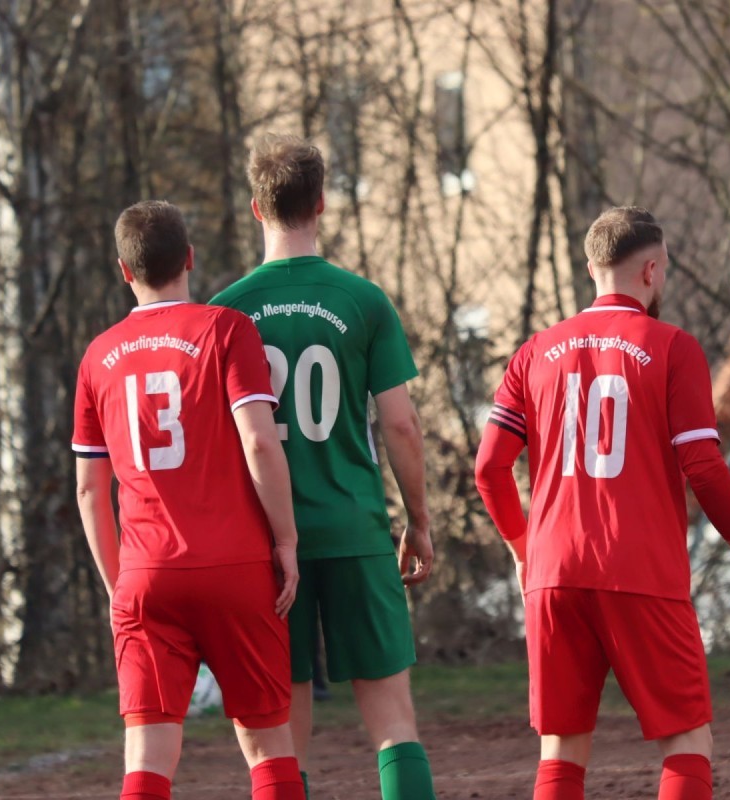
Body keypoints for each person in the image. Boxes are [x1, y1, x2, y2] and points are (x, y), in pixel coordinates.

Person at [474, 207, 730, 800]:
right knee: (687, 740)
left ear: (592, 269)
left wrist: (524, 550)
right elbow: (703, 467)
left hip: (554, 573)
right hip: (639, 569)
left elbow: (489, 468)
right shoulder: (673, 348)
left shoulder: (535, 351)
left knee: (561, 751)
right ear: (651, 270)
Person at [211, 134, 436, 800]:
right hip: (355, 528)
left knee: (282, 730)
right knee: (393, 719)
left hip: (262, 545)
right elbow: (400, 423)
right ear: (321, 204)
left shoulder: (223, 313)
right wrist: (419, 520)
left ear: (257, 208)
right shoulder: (362, 300)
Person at [72, 201, 305, 800]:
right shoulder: (226, 329)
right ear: (190, 258)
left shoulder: (98, 354)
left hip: (146, 573)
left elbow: (89, 487)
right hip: (235, 567)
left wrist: (119, 584)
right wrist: (285, 540)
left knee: (148, 756)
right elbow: (259, 441)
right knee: (267, 746)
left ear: (125, 270)